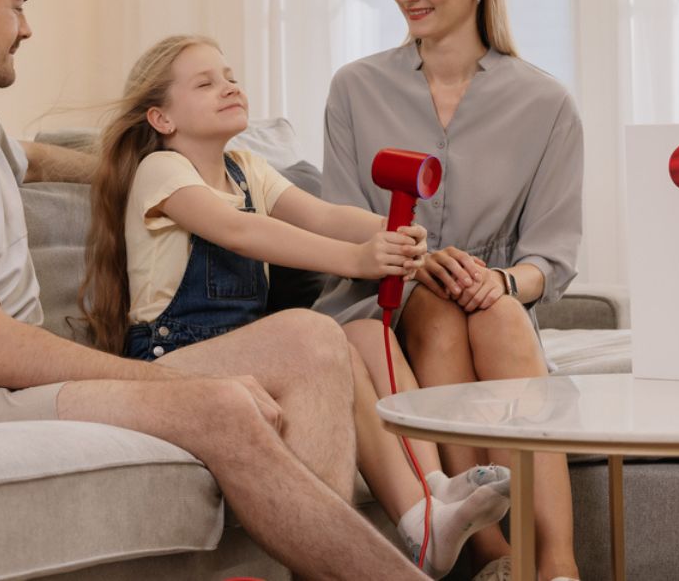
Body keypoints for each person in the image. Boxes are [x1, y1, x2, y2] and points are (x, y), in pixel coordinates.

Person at [0, 0, 430, 578]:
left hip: (9, 388)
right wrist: (189, 385)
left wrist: (140, 175)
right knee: (223, 410)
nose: (27, 29)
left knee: (311, 338)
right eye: (18, 4)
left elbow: (35, 159)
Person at [81, 33, 515, 578]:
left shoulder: (247, 169)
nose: (228, 86)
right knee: (310, 329)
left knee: (358, 334)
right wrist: (359, 259)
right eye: (205, 82)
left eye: (230, 75)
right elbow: (240, 232)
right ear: (162, 119)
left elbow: (325, 215)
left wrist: (396, 231)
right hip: (172, 359)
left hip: (245, 354)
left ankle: (425, 504)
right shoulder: (163, 170)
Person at [312, 0, 585, 579]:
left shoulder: (546, 103)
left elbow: (554, 255)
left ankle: (559, 567)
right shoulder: (355, 88)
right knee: (438, 309)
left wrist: (501, 281)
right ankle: (494, 557)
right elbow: (341, 220)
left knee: (501, 316)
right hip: (379, 296)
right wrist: (417, 262)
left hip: (490, 298)